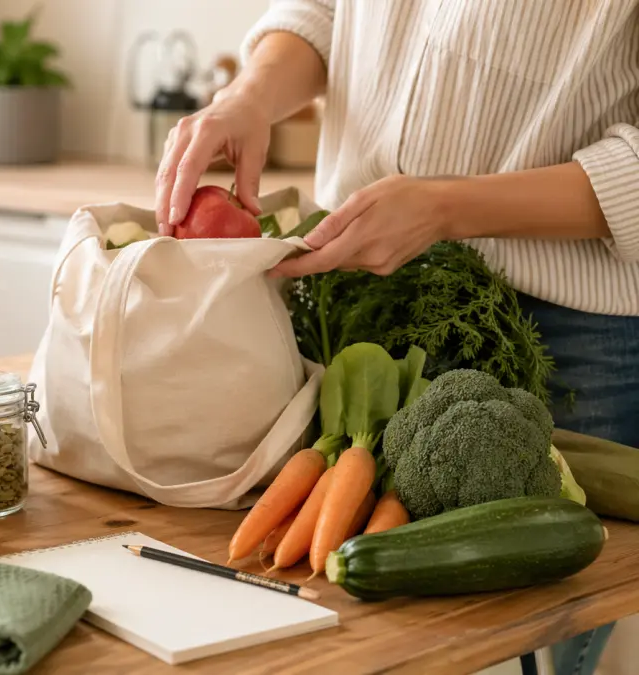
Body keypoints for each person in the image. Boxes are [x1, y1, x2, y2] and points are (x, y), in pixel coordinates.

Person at [155, 2, 639, 674]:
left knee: (527, 640)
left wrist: (446, 206)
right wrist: (251, 96)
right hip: (361, 288)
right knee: (347, 630)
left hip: (559, 323)